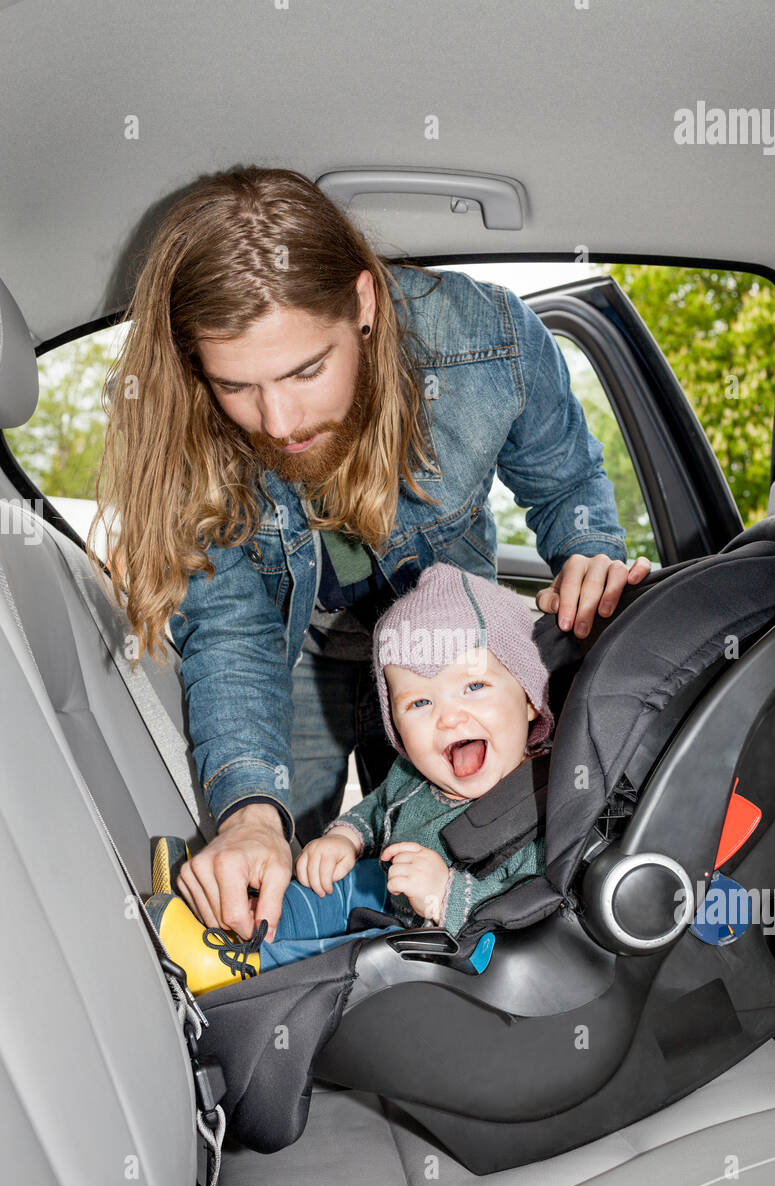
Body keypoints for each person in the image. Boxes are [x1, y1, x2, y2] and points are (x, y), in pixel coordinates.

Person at [92, 165, 650, 949]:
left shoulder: (485, 341)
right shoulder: (192, 432)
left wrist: (588, 553)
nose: (277, 421)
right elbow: (231, 633)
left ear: (363, 303)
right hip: (298, 655)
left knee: (466, 858)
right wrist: (250, 814)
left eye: (305, 371)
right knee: (284, 886)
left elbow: (566, 484)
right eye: (237, 387)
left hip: (445, 658)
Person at [148, 564, 553, 995]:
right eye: (419, 703)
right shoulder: (412, 774)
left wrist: (444, 895)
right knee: (327, 886)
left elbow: (532, 905)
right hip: (384, 891)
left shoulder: (539, 801)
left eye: (474, 687)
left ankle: (238, 968)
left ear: (529, 698)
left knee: (370, 952)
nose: (449, 717)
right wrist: (345, 838)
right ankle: (231, 918)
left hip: (441, 945)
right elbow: (376, 810)